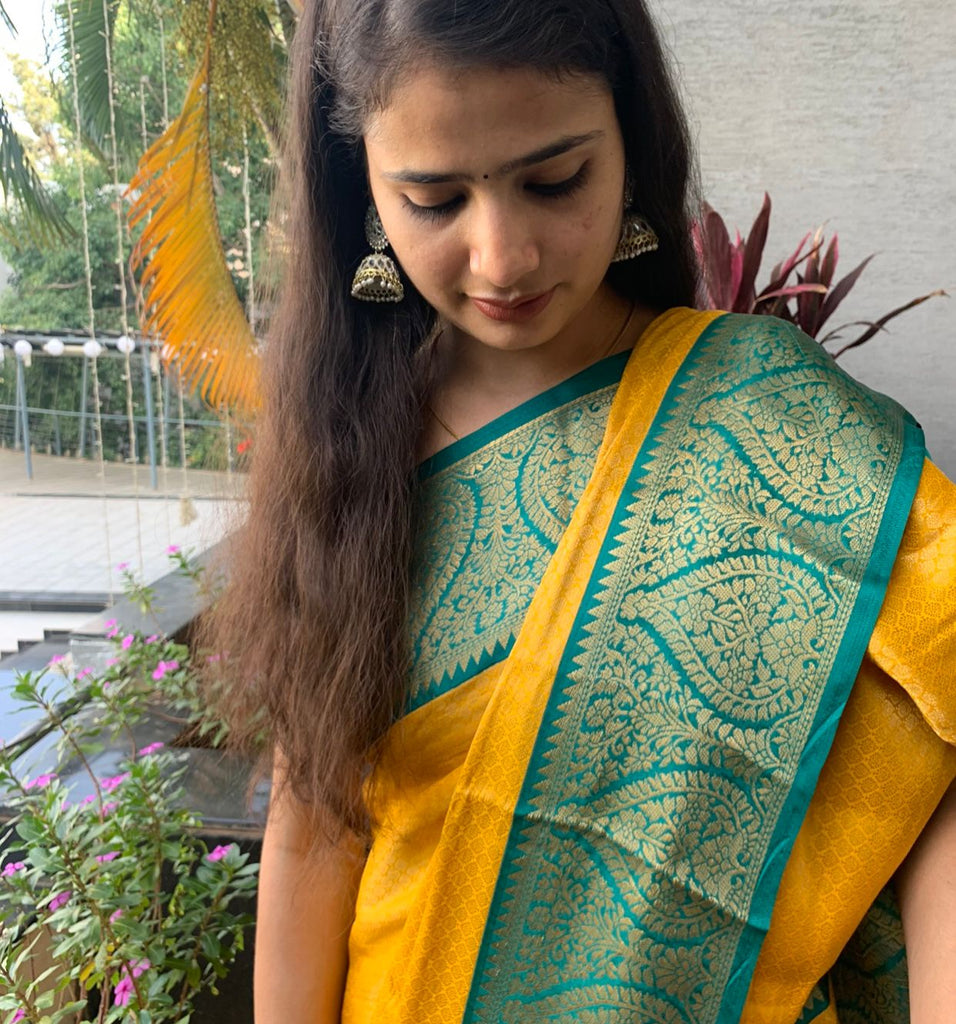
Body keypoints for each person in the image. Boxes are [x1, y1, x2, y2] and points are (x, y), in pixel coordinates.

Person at [207, 1, 956, 1022]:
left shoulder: (768, 423)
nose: (502, 256)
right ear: (363, 193)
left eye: (554, 180)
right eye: (433, 199)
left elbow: (935, 729)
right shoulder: (351, 452)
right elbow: (317, 819)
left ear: (629, 147)